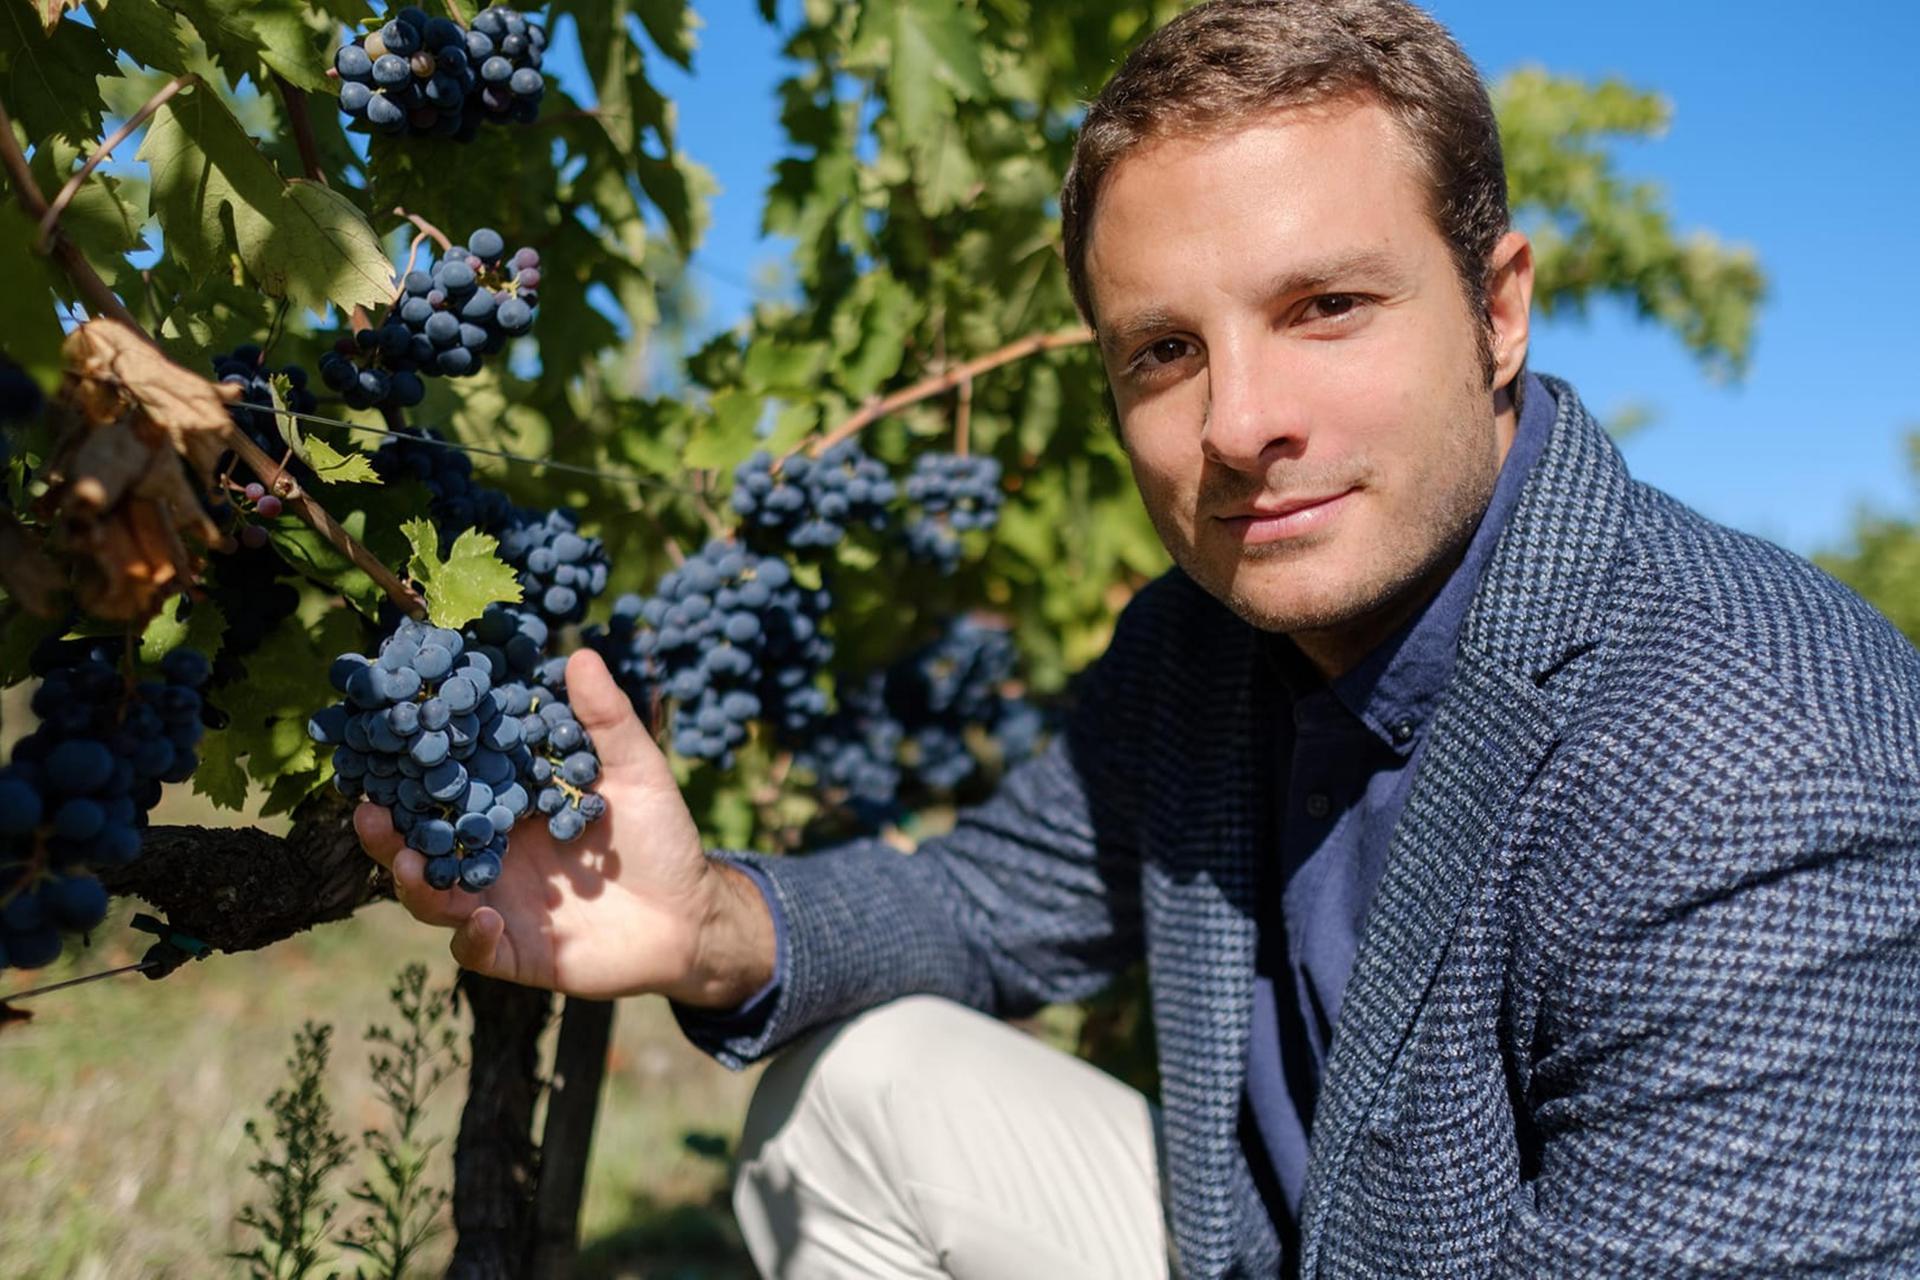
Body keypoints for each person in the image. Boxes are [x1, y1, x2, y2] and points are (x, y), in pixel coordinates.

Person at [357, 1, 1920, 1275]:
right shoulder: (1200, 649)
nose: (1240, 426)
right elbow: (990, 903)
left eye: (1326, 307)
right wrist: (707, 925)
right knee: (864, 1090)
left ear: (1499, 309)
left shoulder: (1750, 754)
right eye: (1165, 350)